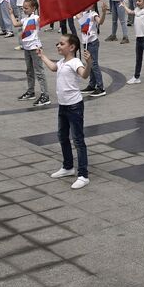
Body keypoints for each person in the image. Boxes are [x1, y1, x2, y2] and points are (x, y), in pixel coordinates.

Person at [41, 32, 93, 190]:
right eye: (58, 43)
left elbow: (84, 75)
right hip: (63, 106)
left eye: (61, 44)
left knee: (78, 139)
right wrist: (42, 56)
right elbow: (53, 68)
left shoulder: (75, 62)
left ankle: (83, 175)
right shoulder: (63, 62)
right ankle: (68, 167)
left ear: (72, 47)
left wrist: (89, 62)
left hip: (74, 106)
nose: (58, 45)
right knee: (62, 136)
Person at [9, 0, 49, 106]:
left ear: (33, 8)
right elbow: (16, 24)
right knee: (29, 71)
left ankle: (45, 95)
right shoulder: (25, 19)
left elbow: (43, 20)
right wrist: (11, 13)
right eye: (23, 8)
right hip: (26, 48)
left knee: (39, 72)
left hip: (35, 47)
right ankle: (31, 92)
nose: (24, 10)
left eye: (26, 8)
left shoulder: (36, 18)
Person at [76, 1, 104, 95]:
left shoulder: (93, 14)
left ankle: (101, 87)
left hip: (93, 42)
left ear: (92, 5)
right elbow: (76, 14)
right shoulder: (84, 14)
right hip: (86, 43)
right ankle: (92, 85)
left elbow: (100, 22)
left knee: (94, 64)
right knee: (89, 64)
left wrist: (103, 12)